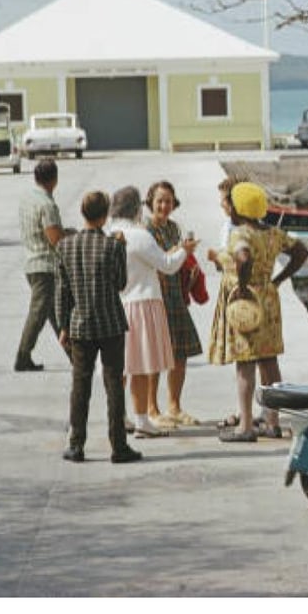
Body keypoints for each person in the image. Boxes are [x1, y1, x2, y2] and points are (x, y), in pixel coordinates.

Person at [208, 181, 308, 442]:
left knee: (245, 363)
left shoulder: (241, 234)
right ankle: (272, 422)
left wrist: (242, 286)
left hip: (248, 303)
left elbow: (243, 258)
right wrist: (278, 279)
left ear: (237, 209)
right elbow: (301, 252)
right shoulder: (274, 233)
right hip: (269, 299)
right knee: (269, 361)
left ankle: (245, 425)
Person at [55, 191, 141, 464]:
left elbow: (62, 292)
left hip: (80, 325)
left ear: (83, 214)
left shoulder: (65, 247)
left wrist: (62, 326)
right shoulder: (113, 246)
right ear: (105, 216)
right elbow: (120, 284)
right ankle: (119, 446)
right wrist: (122, 249)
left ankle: (76, 444)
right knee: (114, 384)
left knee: (80, 386)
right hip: (111, 324)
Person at [107, 186, 197, 439]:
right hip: (144, 302)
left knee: (125, 366)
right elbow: (167, 266)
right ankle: (143, 420)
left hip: (120, 303)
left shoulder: (111, 232)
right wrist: (185, 250)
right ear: (138, 207)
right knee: (143, 366)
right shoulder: (139, 235)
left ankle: (121, 416)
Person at [143, 180, 204, 429]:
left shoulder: (174, 228)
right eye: (159, 201)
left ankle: (174, 406)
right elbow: (160, 262)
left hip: (176, 295)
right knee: (155, 356)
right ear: (150, 203)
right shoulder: (146, 230)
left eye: (168, 201)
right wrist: (181, 253)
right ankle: (151, 408)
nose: (164, 205)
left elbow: (176, 261)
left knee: (180, 353)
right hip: (156, 296)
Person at [14, 158, 67, 372]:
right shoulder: (47, 204)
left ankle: (74, 354)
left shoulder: (27, 198)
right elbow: (55, 239)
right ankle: (23, 355)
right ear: (54, 180)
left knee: (55, 313)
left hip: (31, 261)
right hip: (45, 266)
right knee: (39, 313)